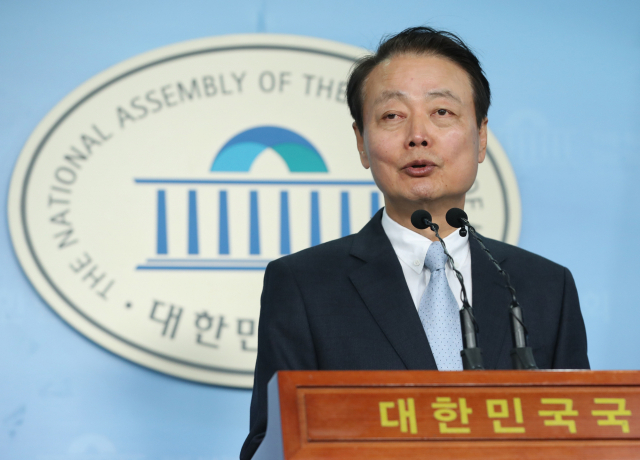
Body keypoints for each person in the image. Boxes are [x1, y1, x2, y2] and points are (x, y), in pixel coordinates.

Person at [240, 26, 589, 459]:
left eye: (442, 112)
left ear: (481, 136)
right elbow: (270, 443)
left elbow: (580, 437)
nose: (418, 135)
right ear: (361, 144)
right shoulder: (304, 285)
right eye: (392, 116)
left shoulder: (544, 286)